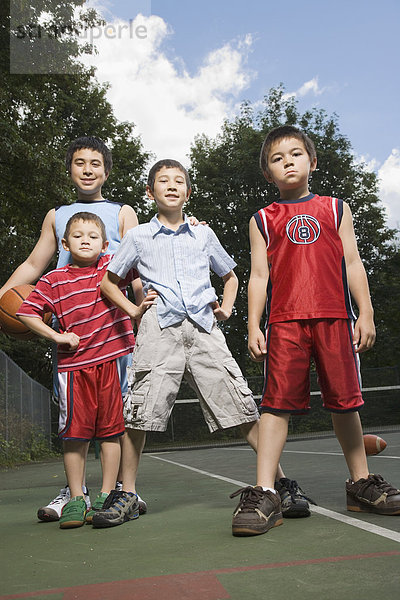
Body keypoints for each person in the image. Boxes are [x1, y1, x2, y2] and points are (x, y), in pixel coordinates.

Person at [92, 158, 309, 528]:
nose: (171, 186)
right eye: (163, 181)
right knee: (139, 413)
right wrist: (133, 310)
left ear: (188, 192)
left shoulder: (203, 234)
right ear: (151, 192)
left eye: (179, 181)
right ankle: (126, 493)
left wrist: (225, 308)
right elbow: (108, 282)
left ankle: (276, 485)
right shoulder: (138, 237)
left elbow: (231, 276)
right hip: (159, 331)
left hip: (205, 331)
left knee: (241, 407)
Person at [230, 125, 400, 537]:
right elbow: (257, 276)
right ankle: (266, 490)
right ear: (268, 174)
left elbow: (354, 263)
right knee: (275, 406)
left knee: (346, 403)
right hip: (285, 322)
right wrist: (253, 323)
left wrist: (368, 313)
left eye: (295, 154)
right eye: (277, 158)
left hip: (334, 319)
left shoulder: (337, 208)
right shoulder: (263, 219)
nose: (288, 161)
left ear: (312, 161)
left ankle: (360, 483)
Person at [0, 136, 147, 520]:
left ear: (107, 171)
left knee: (120, 413)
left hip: (114, 332)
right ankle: (74, 490)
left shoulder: (122, 212)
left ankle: (122, 490)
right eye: (79, 163)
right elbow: (34, 265)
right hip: (72, 334)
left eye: (95, 163)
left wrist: (142, 312)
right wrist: (2, 294)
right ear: (69, 170)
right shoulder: (57, 214)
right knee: (74, 418)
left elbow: (138, 269)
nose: (87, 169)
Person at [17, 212, 150, 528]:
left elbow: (151, 252)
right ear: (64, 243)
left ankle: (105, 495)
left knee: (111, 432)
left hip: (113, 363)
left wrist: (188, 223)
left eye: (93, 236)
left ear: (105, 245)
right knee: (75, 436)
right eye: (77, 236)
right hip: (74, 368)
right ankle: (77, 498)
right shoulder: (53, 280)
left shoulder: (112, 268)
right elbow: (26, 313)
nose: (85, 241)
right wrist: (57, 335)